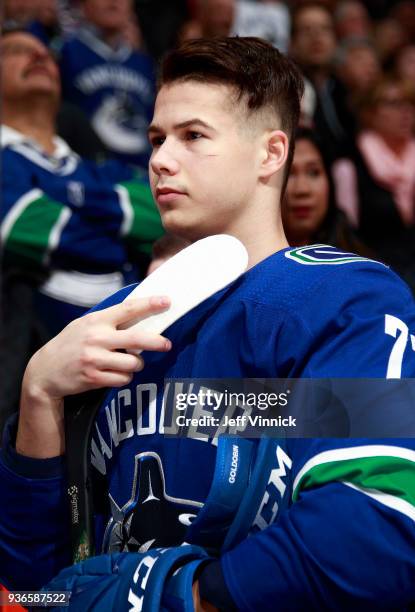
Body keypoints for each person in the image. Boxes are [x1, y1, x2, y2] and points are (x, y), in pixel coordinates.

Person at [1, 36, 415, 611]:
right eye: (155, 139)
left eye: (192, 136)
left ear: (271, 154)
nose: (160, 159)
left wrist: (183, 595)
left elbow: (379, 519)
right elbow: (32, 589)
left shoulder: (347, 297)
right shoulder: (104, 323)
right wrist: (39, 393)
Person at [0, 28, 163, 430]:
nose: (39, 58)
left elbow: (156, 214)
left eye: (45, 55)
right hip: (28, 382)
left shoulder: (95, 165)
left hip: (133, 380)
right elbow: (18, 227)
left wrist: (58, 198)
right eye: (18, 52)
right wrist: (118, 233)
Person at [333, 75, 415, 292]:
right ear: (368, 113)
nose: (406, 112)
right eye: (393, 104)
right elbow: (346, 235)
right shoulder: (350, 162)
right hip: (376, 277)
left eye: (410, 103)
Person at [59, 0, 156, 169]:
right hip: (90, 173)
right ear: (84, 5)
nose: (114, 2)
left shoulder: (145, 63)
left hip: (142, 175)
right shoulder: (65, 54)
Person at [282, 127, 369, 256]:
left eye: (314, 173)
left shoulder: (359, 264)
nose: (302, 189)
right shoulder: (247, 263)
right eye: (288, 174)